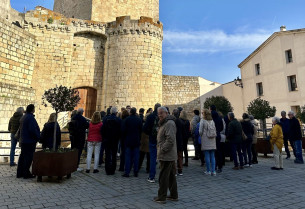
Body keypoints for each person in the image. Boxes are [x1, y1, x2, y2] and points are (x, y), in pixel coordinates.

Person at [153, 106, 178, 204]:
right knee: (171, 176)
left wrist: (162, 149)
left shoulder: (169, 123)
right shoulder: (164, 123)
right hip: (167, 154)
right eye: (158, 113)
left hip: (167, 154)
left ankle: (161, 197)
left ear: (166, 113)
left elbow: (170, 140)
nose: (159, 115)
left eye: (161, 113)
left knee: (163, 176)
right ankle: (173, 195)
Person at [16, 104, 40, 179]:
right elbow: (32, 129)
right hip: (29, 141)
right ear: (32, 109)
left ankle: (20, 173)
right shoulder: (30, 118)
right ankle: (26, 173)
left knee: (23, 157)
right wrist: (38, 137)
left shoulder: (24, 117)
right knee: (28, 157)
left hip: (24, 140)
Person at [122, 107, 142, 177]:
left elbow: (123, 130)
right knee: (136, 157)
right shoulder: (139, 120)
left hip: (128, 140)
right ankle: (135, 171)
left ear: (130, 112)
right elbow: (140, 130)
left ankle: (127, 172)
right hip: (136, 140)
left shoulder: (127, 120)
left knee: (128, 157)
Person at [143, 103, 161, 183]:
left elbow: (145, 128)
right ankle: (163, 177)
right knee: (163, 158)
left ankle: (152, 177)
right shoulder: (162, 116)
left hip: (152, 139)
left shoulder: (150, 117)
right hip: (161, 139)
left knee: (152, 158)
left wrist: (150, 133)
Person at [101, 107, 122, 175]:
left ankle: (107, 169)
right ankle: (113, 169)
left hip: (107, 139)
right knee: (113, 155)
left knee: (107, 154)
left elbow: (102, 129)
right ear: (116, 112)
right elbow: (120, 130)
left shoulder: (105, 119)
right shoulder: (119, 120)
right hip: (115, 140)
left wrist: (104, 137)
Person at [199, 109, 217, 176]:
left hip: (205, 138)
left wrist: (201, 136)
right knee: (212, 155)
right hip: (212, 139)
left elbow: (200, 131)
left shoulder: (202, 121)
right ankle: (213, 171)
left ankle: (208, 170)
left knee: (206, 155)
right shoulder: (212, 121)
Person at [210, 105, 224, 173]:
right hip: (218, 134)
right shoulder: (219, 117)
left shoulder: (210, 118)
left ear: (210, 109)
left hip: (212, 135)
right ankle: (220, 166)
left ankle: (214, 166)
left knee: (213, 151)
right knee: (218, 151)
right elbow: (222, 127)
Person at [172, 109, 184, 176]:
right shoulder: (181, 122)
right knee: (179, 156)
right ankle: (180, 170)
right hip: (180, 140)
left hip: (174, 140)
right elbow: (184, 132)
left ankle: (174, 171)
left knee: (174, 156)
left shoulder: (171, 122)